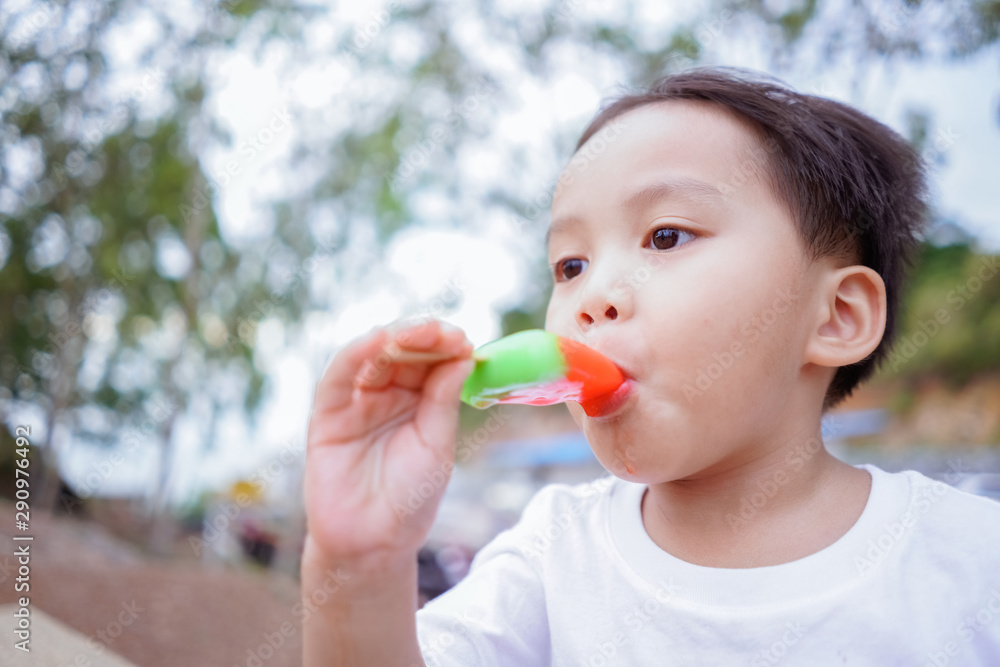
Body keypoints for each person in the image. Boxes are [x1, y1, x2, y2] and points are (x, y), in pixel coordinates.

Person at [299, 67, 1000, 666]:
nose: (592, 297)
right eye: (569, 265)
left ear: (836, 316)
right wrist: (358, 566)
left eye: (665, 236)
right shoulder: (554, 553)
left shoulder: (971, 562)